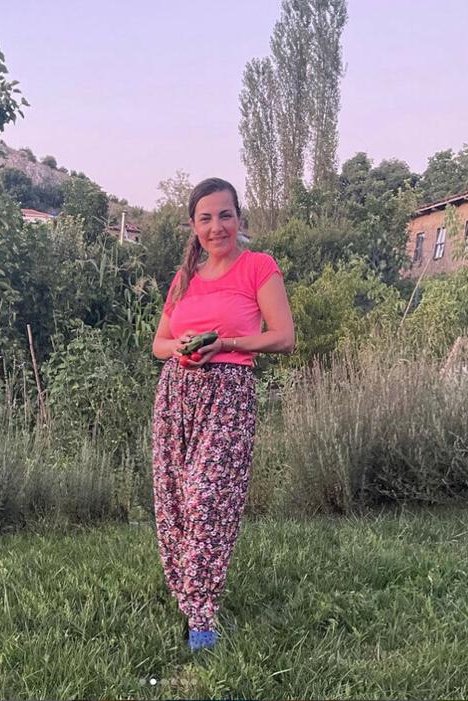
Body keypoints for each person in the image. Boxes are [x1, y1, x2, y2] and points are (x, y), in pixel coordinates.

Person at [151, 177, 295, 652]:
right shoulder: (184, 278)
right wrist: (182, 348)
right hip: (176, 392)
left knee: (208, 499)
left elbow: (283, 337)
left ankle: (202, 616)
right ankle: (186, 594)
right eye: (206, 218)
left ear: (239, 218)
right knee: (174, 501)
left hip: (228, 394)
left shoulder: (258, 266)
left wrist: (225, 343)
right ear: (194, 226)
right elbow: (159, 344)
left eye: (225, 215)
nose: (217, 227)